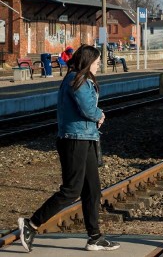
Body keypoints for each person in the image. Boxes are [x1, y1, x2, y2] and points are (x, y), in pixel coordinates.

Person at [18, 45, 120, 252]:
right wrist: (100, 115)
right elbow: (88, 109)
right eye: (97, 62)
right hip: (75, 139)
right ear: (88, 61)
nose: (99, 66)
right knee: (72, 189)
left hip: (86, 137)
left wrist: (97, 115)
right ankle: (31, 224)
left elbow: (88, 108)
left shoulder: (81, 79)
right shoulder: (78, 80)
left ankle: (95, 237)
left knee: (92, 188)